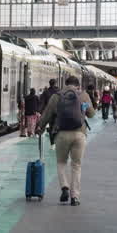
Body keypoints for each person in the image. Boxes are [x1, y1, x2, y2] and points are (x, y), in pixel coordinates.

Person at [39, 76, 93, 206]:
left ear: (65, 84)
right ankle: (75, 197)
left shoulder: (57, 96)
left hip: (61, 134)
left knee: (61, 162)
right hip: (79, 134)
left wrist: (40, 128)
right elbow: (91, 114)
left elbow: (47, 114)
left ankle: (64, 187)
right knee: (76, 165)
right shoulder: (83, 95)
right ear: (77, 85)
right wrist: (84, 108)